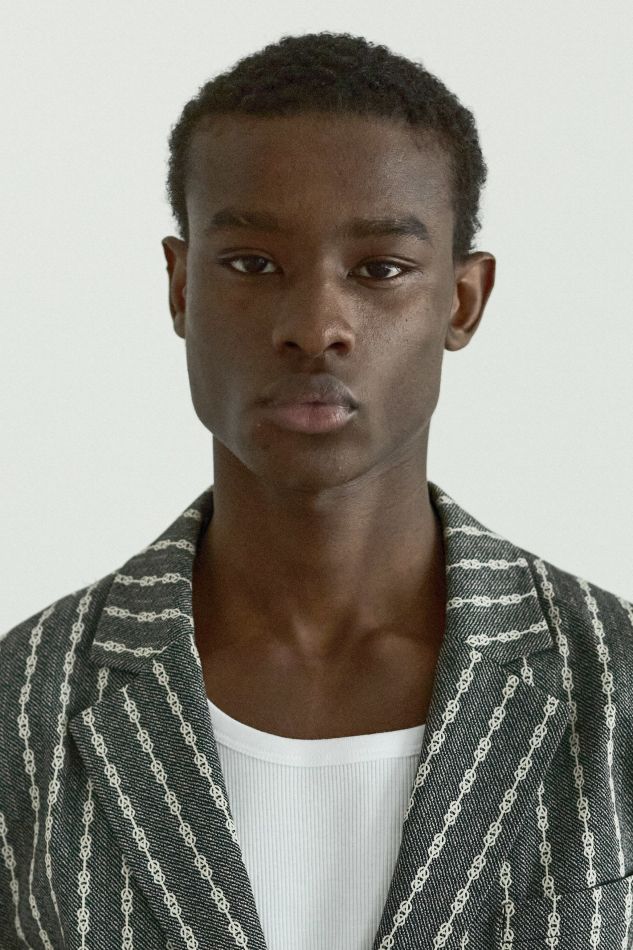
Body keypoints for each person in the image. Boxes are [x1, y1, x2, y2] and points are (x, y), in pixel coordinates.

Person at [1, 31, 631, 950]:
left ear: (462, 301)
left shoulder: (612, 685)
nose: (314, 326)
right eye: (252, 264)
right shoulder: (27, 704)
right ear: (179, 286)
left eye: (379, 269)